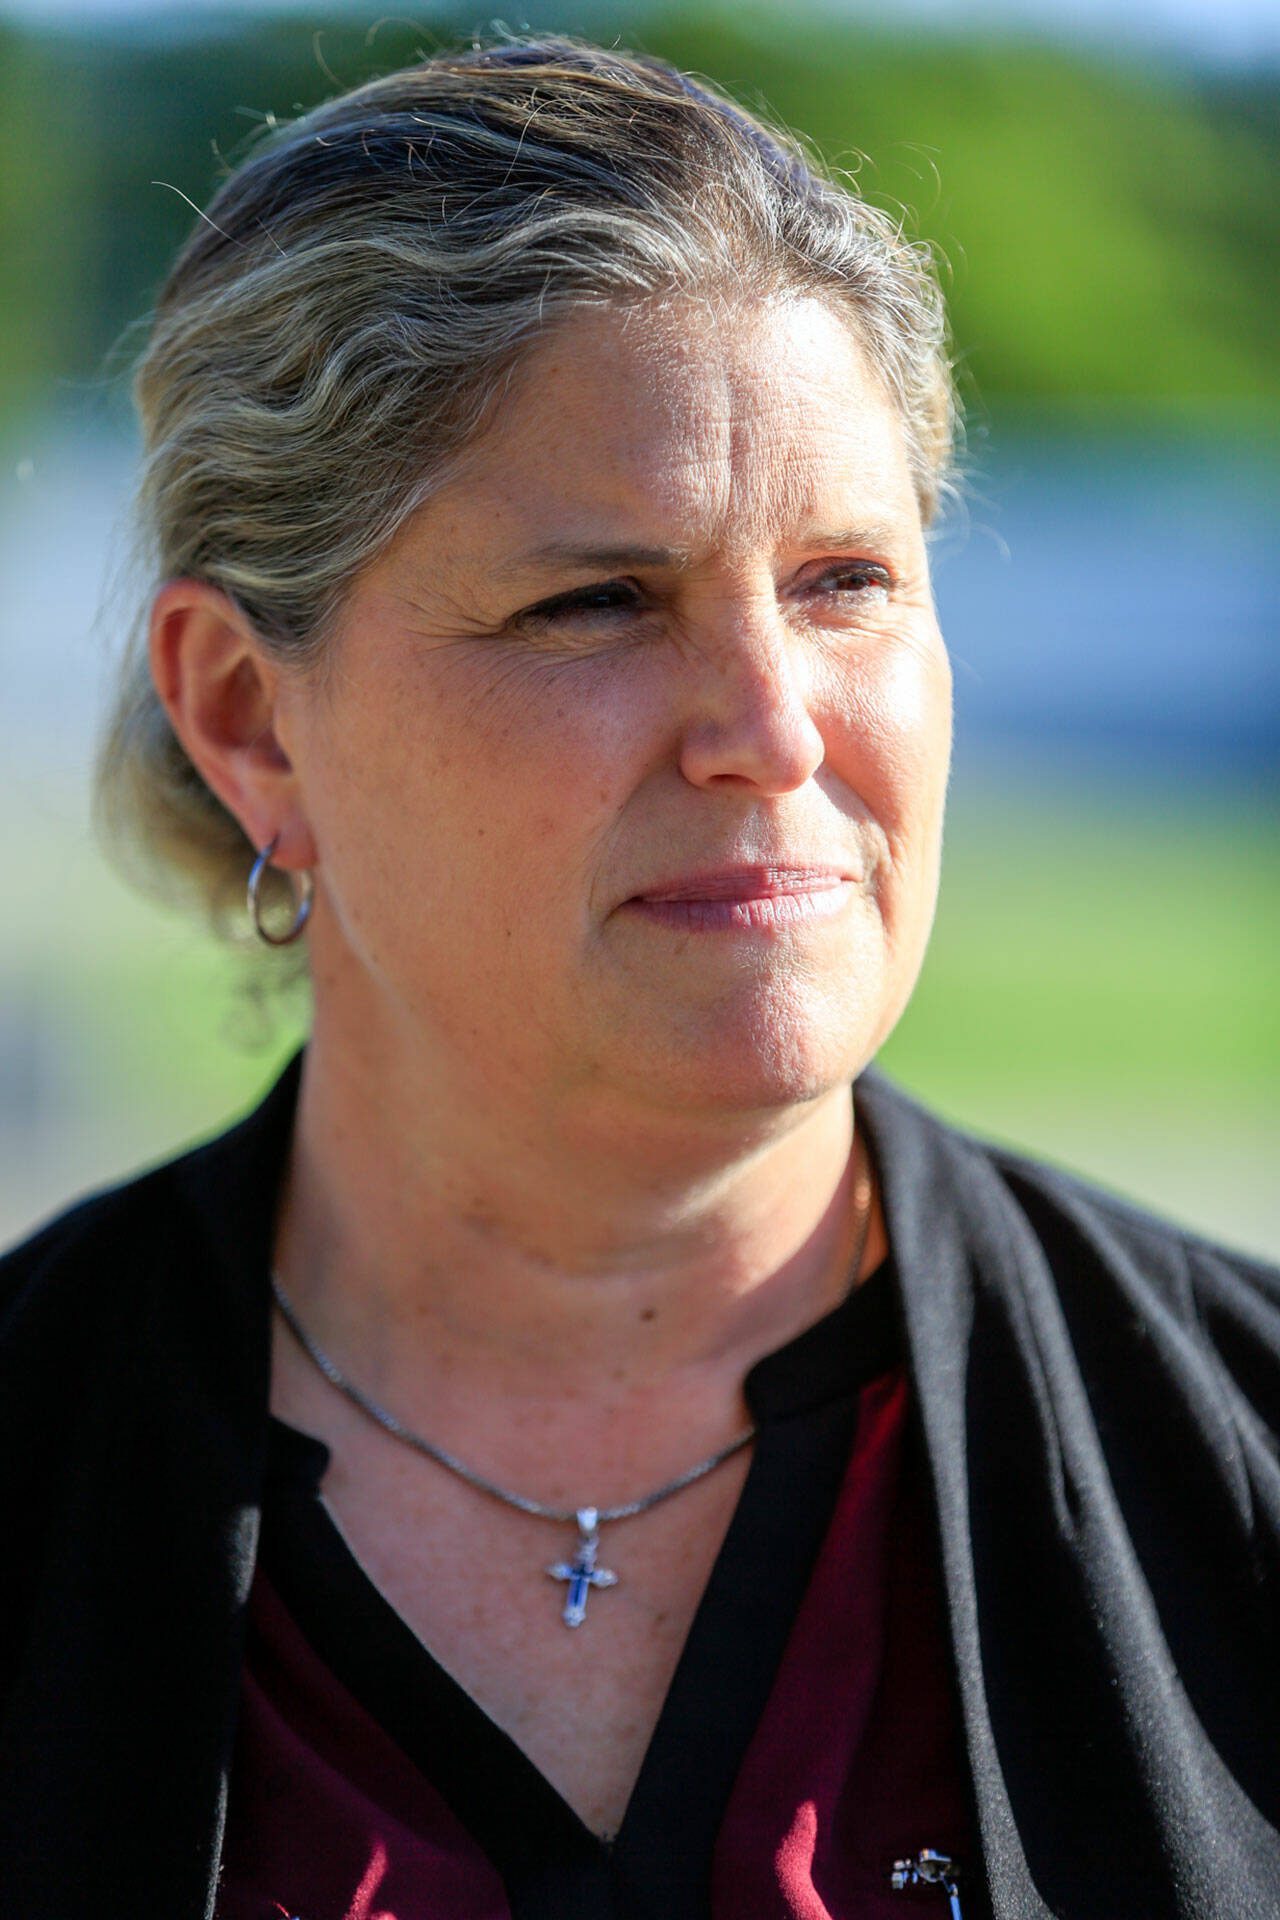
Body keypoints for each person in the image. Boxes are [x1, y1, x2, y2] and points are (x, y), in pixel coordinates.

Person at [0, 36, 1276, 1920]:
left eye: (848, 581)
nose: (772, 729)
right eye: (596, 603)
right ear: (247, 718)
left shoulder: (1240, 1463)